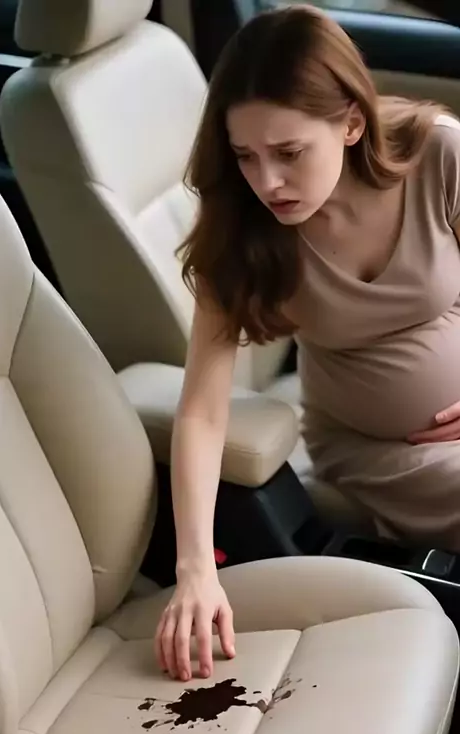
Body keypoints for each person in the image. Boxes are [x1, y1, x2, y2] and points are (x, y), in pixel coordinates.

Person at [155, 4, 460, 681]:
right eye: (245, 156)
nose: (266, 182)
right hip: (377, 447)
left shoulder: (440, 154)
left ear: (351, 123)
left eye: (289, 153)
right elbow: (202, 411)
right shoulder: (241, 230)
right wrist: (195, 569)